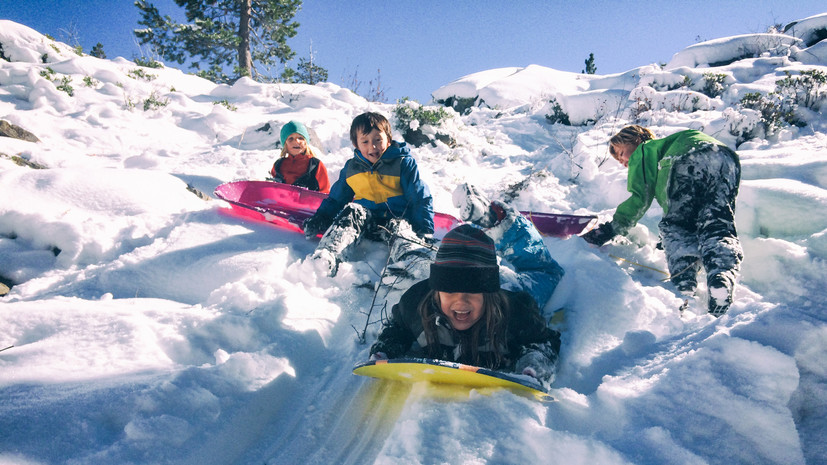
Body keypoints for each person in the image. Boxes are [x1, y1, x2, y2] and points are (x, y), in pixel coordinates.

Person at [369, 184, 565, 388]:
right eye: (451, 291)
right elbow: (396, 329)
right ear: (436, 291)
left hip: (506, 288)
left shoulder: (516, 314)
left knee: (545, 274)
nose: (461, 301)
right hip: (474, 275)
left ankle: (501, 223)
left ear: (487, 294)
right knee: (417, 256)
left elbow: (545, 342)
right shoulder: (415, 306)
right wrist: (386, 350)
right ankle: (404, 236)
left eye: (472, 292)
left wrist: (533, 364)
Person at [582, 125, 743, 316]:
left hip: (687, 158)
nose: (622, 162)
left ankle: (685, 285)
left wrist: (610, 229)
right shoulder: (669, 145)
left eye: (621, 153)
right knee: (717, 223)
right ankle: (721, 277)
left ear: (636, 140)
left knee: (676, 227)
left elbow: (640, 198)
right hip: (726, 159)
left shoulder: (644, 149)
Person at [302, 112, 434, 276]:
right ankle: (329, 254)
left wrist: (424, 230)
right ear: (356, 144)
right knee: (352, 211)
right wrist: (321, 218)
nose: (372, 146)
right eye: (365, 141)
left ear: (388, 138)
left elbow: (419, 198)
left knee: (401, 227)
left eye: (378, 140)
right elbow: (336, 199)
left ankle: (411, 262)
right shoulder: (352, 169)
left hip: (396, 219)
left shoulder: (402, 163)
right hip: (366, 222)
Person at [269, 120, 330, 193]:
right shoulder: (278, 165)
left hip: (308, 203)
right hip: (280, 203)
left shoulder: (315, 165)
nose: (296, 141)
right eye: (290, 139)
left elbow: (325, 193)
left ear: (306, 142)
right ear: (285, 144)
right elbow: (271, 190)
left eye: (300, 138)